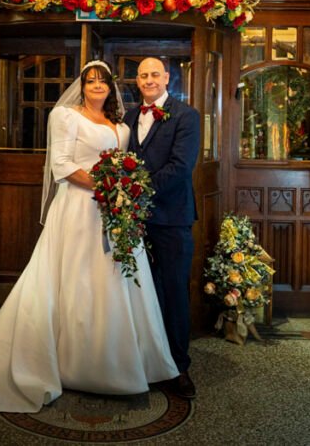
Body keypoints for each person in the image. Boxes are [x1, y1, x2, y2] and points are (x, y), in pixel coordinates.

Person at [0, 60, 177, 412]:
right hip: (79, 209)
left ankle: (121, 360)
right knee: (74, 280)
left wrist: (119, 193)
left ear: (111, 86)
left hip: (113, 212)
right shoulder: (64, 116)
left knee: (114, 279)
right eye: (90, 81)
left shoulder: (119, 124)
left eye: (102, 81)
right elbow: (61, 164)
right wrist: (106, 186)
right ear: (81, 85)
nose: (96, 86)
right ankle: (67, 361)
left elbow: (125, 160)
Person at [122, 57, 201, 400]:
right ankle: (145, 359)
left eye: (155, 74)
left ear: (167, 77)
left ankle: (178, 366)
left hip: (171, 219)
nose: (149, 80)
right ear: (137, 81)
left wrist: (136, 192)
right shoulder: (127, 117)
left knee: (173, 293)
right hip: (133, 221)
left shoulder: (187, 116)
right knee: (140, 292)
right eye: (143, 75)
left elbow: (181, 167)